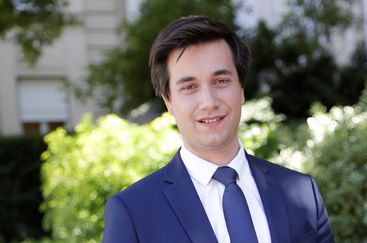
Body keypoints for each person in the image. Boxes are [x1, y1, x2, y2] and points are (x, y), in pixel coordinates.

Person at [102, 15, 335, 243]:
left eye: (220, 81)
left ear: (241, 88)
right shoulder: (133, 212)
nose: (209, 101)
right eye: (190, 87)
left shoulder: (303, 193)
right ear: (169, 101)